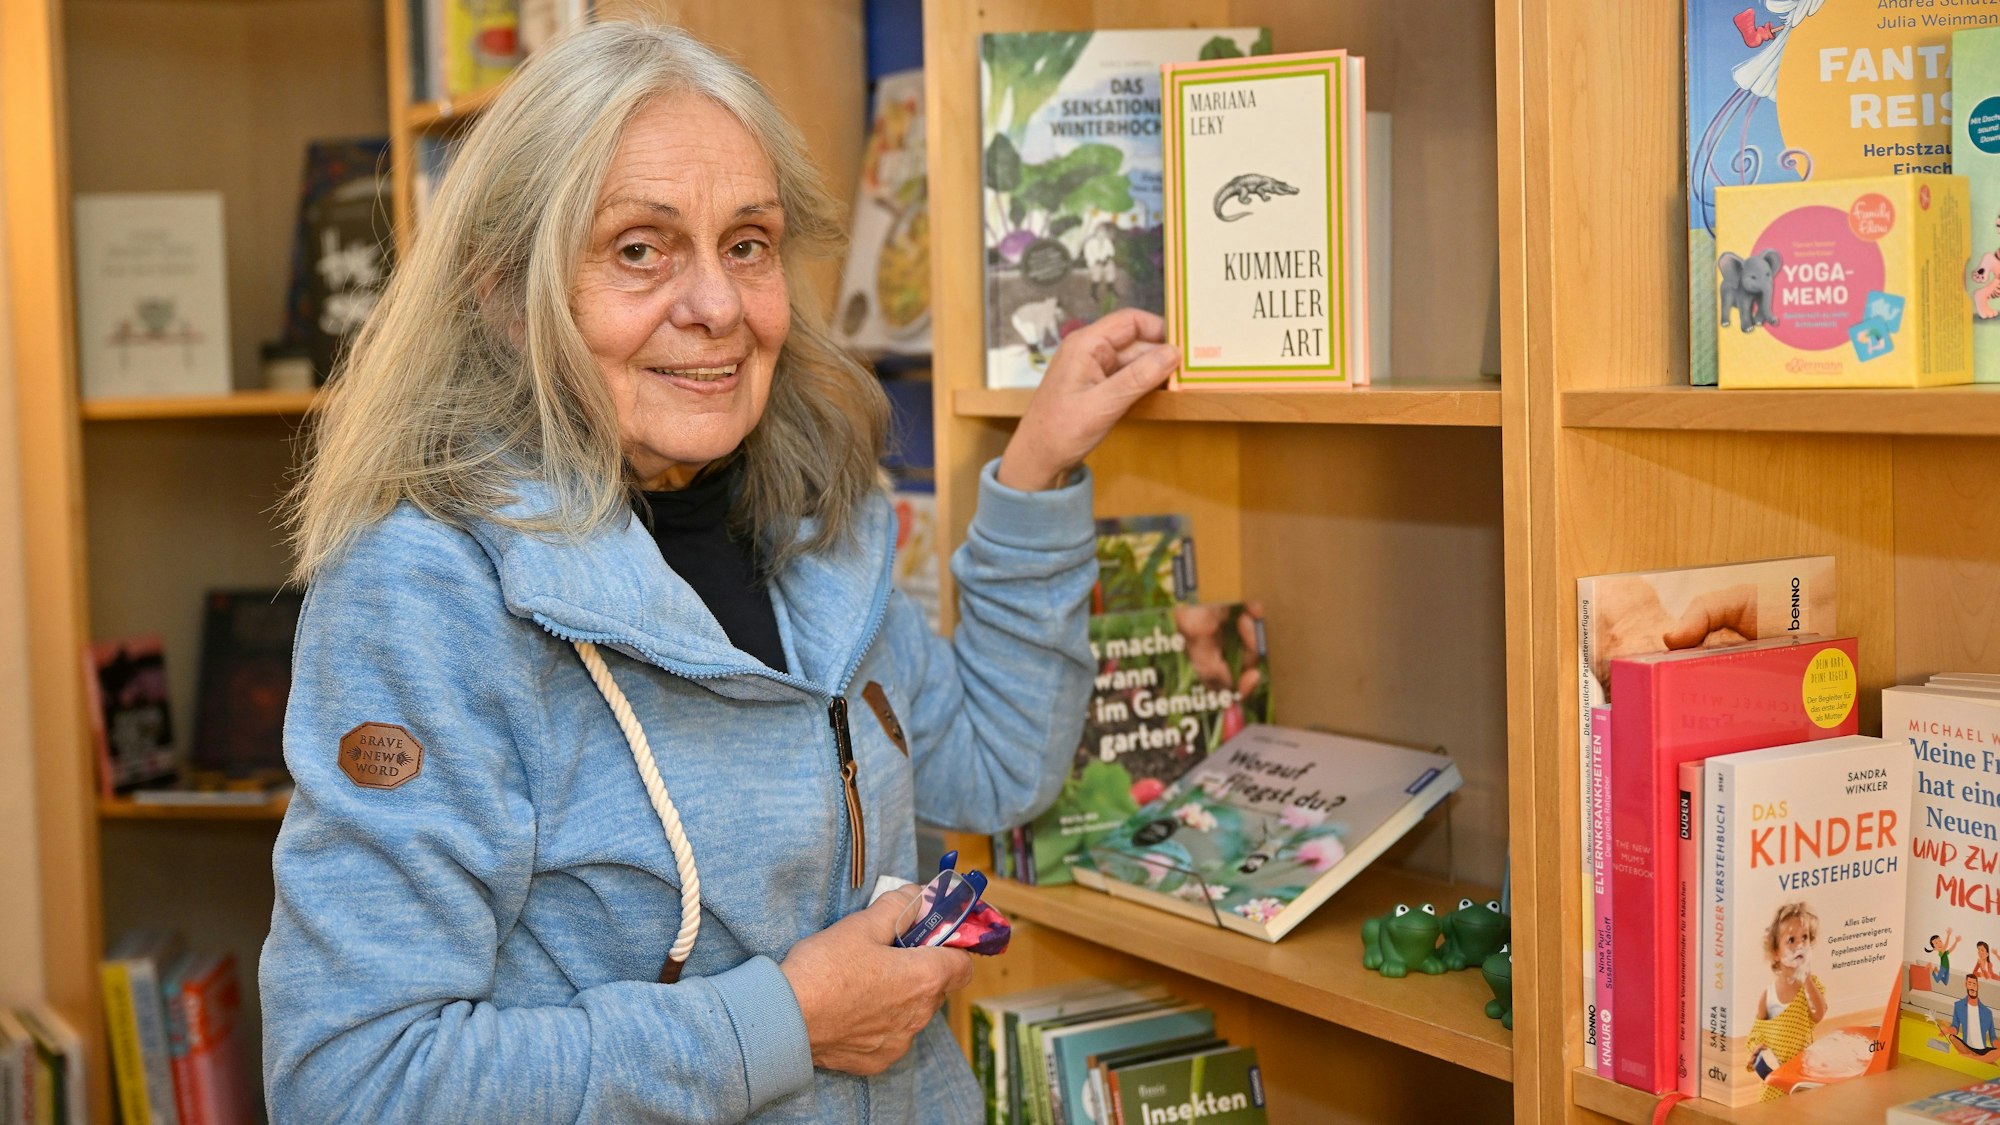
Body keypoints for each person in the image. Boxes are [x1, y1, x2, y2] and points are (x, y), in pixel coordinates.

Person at [259, 22, 1178, 1124]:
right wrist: (784, 1023)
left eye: (746, 244)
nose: (718, 307)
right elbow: (352, 1083)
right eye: (640, 249)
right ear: (509, 298)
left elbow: (994, 769)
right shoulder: (423, 589)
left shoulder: (812, 515)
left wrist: (1034, 474)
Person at [1745, 901, 1825, 1101]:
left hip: (1802, 1067)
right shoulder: (1768, 994)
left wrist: (1806, 978)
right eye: (1791, 939)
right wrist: (1755, 1049)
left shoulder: (1810, 985)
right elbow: (1757, 1031)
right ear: (1776, 953)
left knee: (1803, 1105)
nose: (1799, 945)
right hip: (1776, 1068)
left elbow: (1818, 1014)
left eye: (1804, 938)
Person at [1948, 974, 2000, 1058]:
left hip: (1982, 1050)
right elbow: (1955, 1027)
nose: (1972, 987)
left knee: (1998, 1052)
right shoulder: (1959, 1005)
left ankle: (1973, 1057)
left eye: (1974, 984)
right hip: (1966, 1046)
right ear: (1966, 985)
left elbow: (1993, 1037)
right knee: (1952, 1037)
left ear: (1978, 986)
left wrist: (1998, 1045)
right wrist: (1948, 1030)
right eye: (1969, 984)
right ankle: (1977, 1057)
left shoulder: (1987, 1012)